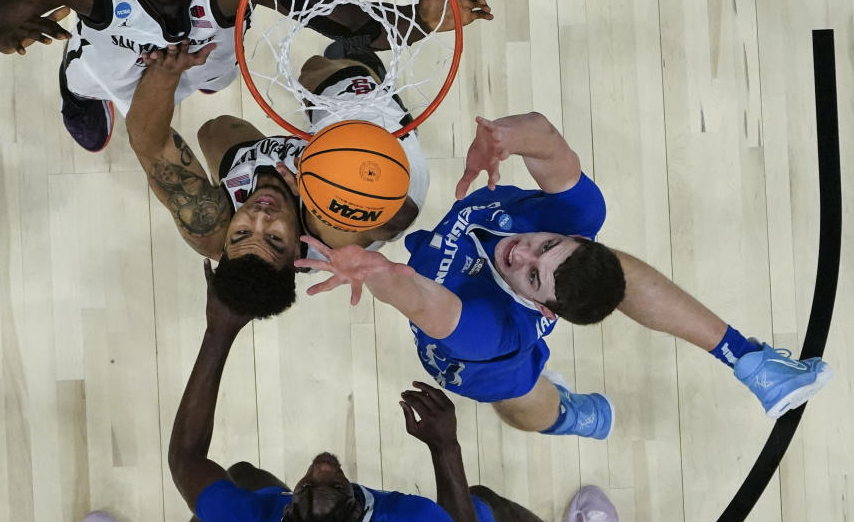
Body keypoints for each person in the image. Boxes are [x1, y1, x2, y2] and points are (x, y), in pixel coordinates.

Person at [295, 111, 833, 437]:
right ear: (569, 234)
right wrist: (504, 137)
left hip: (474, 362)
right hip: (487, 285)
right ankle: (749, 360)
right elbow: (548, 140)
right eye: (545, 245)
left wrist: (375, 270)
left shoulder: (491, 332)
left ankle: (566, 419)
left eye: (533, 275)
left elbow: (421, 301)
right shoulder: (575, 218)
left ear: (542, 307)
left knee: (526, 399)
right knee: (607, 270)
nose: (521, 253)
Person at [81, 259, 622, 522]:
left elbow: (186, 460)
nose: (318, 470)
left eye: (301, 494)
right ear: (366, 520)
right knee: (484, 507)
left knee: (242, 485)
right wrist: (444, 450)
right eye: (331, 489)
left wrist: (219, 330)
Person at [0, 0, 491, 152]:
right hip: (117, 65)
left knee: (213, 82)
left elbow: (346, 24)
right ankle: (76, 92)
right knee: (89, 83)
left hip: (210, 61)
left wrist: (423, 19)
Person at [124, 40, 430, 317]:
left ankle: (308, 142)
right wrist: (319, 193)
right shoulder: (336, 234)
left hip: (304, 163)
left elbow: (149, 143)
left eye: (241, 234)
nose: (260, 217)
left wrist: (165, 74)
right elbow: (398, 220)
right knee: (317, 68)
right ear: (297, 255)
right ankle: (373, 85)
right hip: (375, 169)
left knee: (215, 130)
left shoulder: (207, 223)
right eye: (274, 238)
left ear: (224, 246)